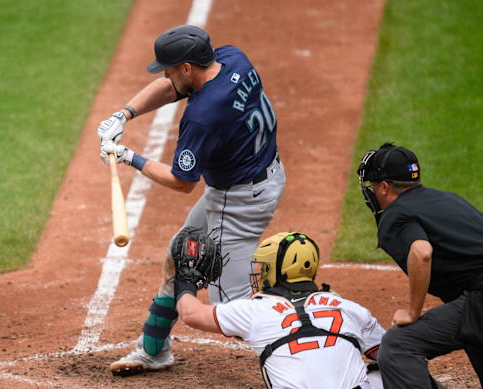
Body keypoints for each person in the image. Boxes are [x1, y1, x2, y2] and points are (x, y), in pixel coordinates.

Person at [97, 24, 286, 375]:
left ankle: (308, 339)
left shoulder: (203, 117)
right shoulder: (231, 58)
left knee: (232, 309)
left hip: (240, 201)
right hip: (255, 178)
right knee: (178, 252)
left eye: (170, 68)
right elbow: (173, 87)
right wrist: (124, 114)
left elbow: (182, 182)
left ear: (187, 67)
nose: (166, 75)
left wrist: (127, 156)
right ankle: (154, 350)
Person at [173, 230, 385, 389]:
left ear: (275, 271)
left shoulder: (254, 312)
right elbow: (391, 354)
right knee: (382, 370)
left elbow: (190, 314)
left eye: (263, 267)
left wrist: (186, 278)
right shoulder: (350, 308)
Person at [357, 142, 483, 388]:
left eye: (372, 185)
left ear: (384, 186)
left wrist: (413, 312)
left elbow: (422, 252)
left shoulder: (396, 214)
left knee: (397, 345)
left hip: (479, 301)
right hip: (475, 300)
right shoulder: (448, 199)